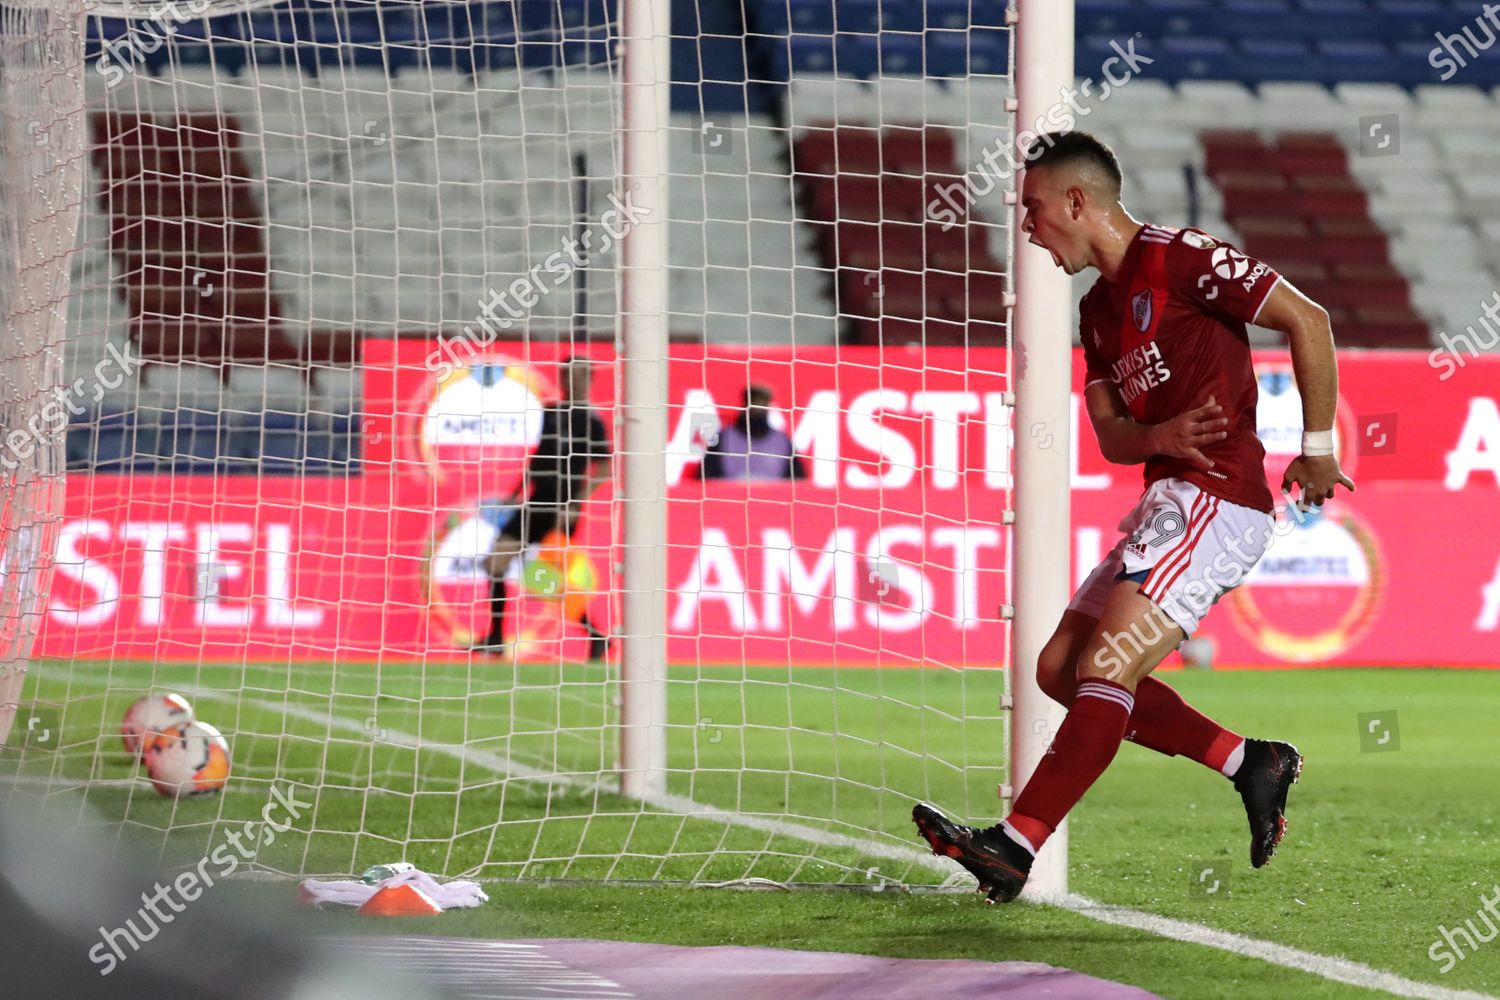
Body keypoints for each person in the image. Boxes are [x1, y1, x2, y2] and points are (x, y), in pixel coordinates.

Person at [912, 132, 1354, 903]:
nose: (1027, 226)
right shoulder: (1097, 311)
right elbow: (1113, 436)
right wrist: (1157, 437)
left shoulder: (1183, 258)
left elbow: (1307, 319)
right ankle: (1250, 762)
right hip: (1166, 499)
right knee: (1059, 670)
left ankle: (1015, 846)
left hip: (1218, 499)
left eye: (1034, 208)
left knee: (1104, 670)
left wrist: (1317, 448)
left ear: (1077, 201)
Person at [480, 357, 612, 661]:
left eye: (579, 375)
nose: (572, 381)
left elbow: (604, 468)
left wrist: (577, 501)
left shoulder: (590, 421)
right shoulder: (551, 413)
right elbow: (540, 458)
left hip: (563, 509)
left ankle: (596, 635)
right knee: (494, 563)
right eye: (568, 374)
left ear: (589, 380)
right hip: (536, 502)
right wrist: (517, 492)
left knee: (544, 579)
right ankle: (496, 637)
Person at [700, 384, 806, 481]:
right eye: (753, 403)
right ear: (744, 405)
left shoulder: (783, 442)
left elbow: (799, 481)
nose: (757, 409)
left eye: (761, 404)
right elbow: (706, 478)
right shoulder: (723, 438)